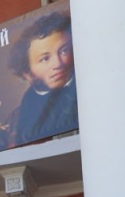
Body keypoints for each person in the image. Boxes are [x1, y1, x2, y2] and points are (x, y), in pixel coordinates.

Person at [8, 11, 78, 146]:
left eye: (63, 51)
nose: (58, 64)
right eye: (45, 59)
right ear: (27, 72)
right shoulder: (15, 122)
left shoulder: (93, 92)